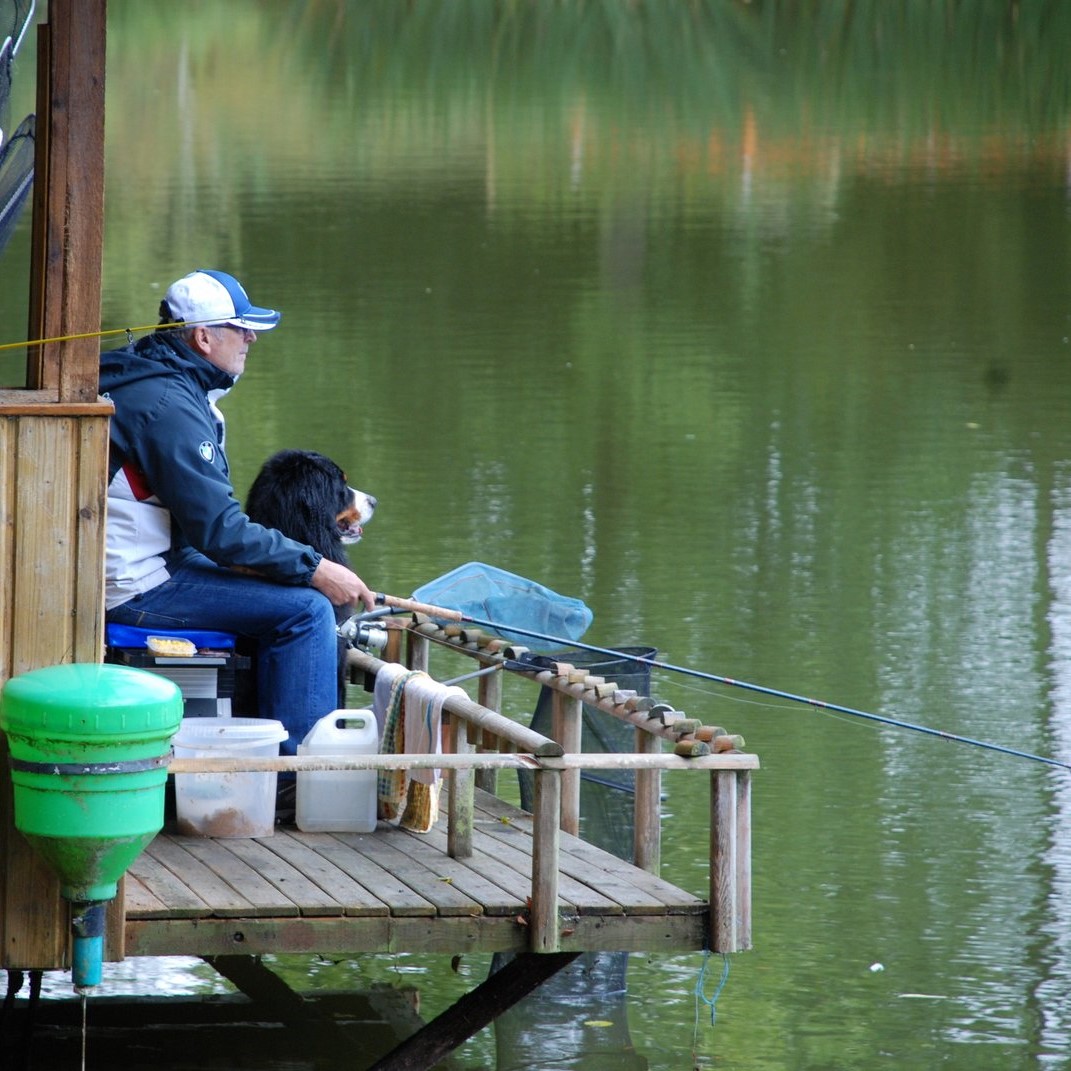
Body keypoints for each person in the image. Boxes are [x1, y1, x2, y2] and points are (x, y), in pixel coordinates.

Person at [100, 268, 373, 753]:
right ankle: (298, 773)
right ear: (203, 337)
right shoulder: (169, 404)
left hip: (149, 561)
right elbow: (221, 533)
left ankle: (264, 744)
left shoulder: (151, 373)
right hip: (133, 583)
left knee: (285, 586)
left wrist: (291, 568)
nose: (250, 337)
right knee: (308, 609)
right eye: (240, 327)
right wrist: (315, 567)